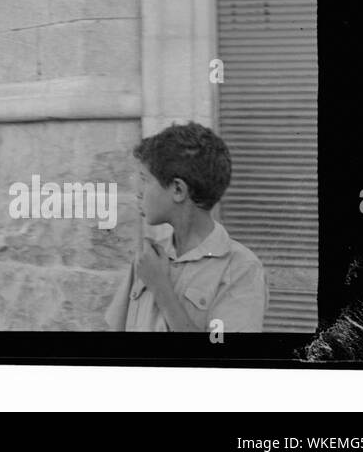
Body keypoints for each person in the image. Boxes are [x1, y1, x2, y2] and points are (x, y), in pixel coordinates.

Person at [105, 121, 268, 332]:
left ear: (178, 190)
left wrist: (161, 289)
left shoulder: (241, 268)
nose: (138, 191)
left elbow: (223, 362)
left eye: (145, 180)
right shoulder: (148, 258)